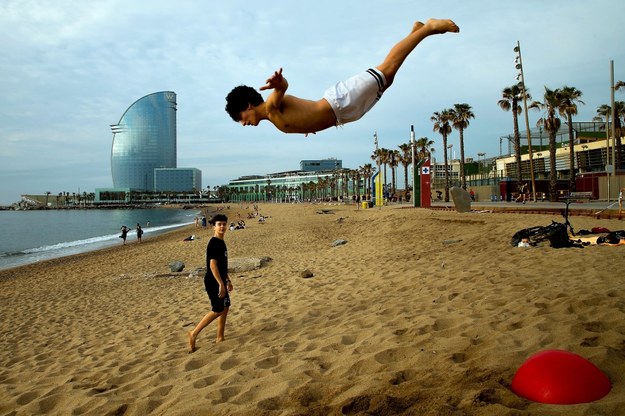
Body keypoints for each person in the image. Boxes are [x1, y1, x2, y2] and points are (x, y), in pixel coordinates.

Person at [225, 18, 459, 135]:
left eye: (241, 117)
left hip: (340, 101)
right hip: (343, 115)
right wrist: (308, 127)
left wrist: (280, 83)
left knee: (386, 70)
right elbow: (300, 117)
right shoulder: (274, 121)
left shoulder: (271, 108)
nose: (244, 123)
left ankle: (428, 28)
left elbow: (282, 90)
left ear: (247, 105)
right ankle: (414, 33)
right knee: (387, 81)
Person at [188, 214, 233, 353]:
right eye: (219, 224)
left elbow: (222, 265)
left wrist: (228, 280)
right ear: (214, 226)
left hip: (220, 279)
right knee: (218, 309)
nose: (222, 227)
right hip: (213, 281)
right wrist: (220, 283)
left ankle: (220, 337)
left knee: (225, 307)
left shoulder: (221, 241)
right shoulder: (214, 243)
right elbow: (212, 265)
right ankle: (194, 333)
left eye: (224, 224)